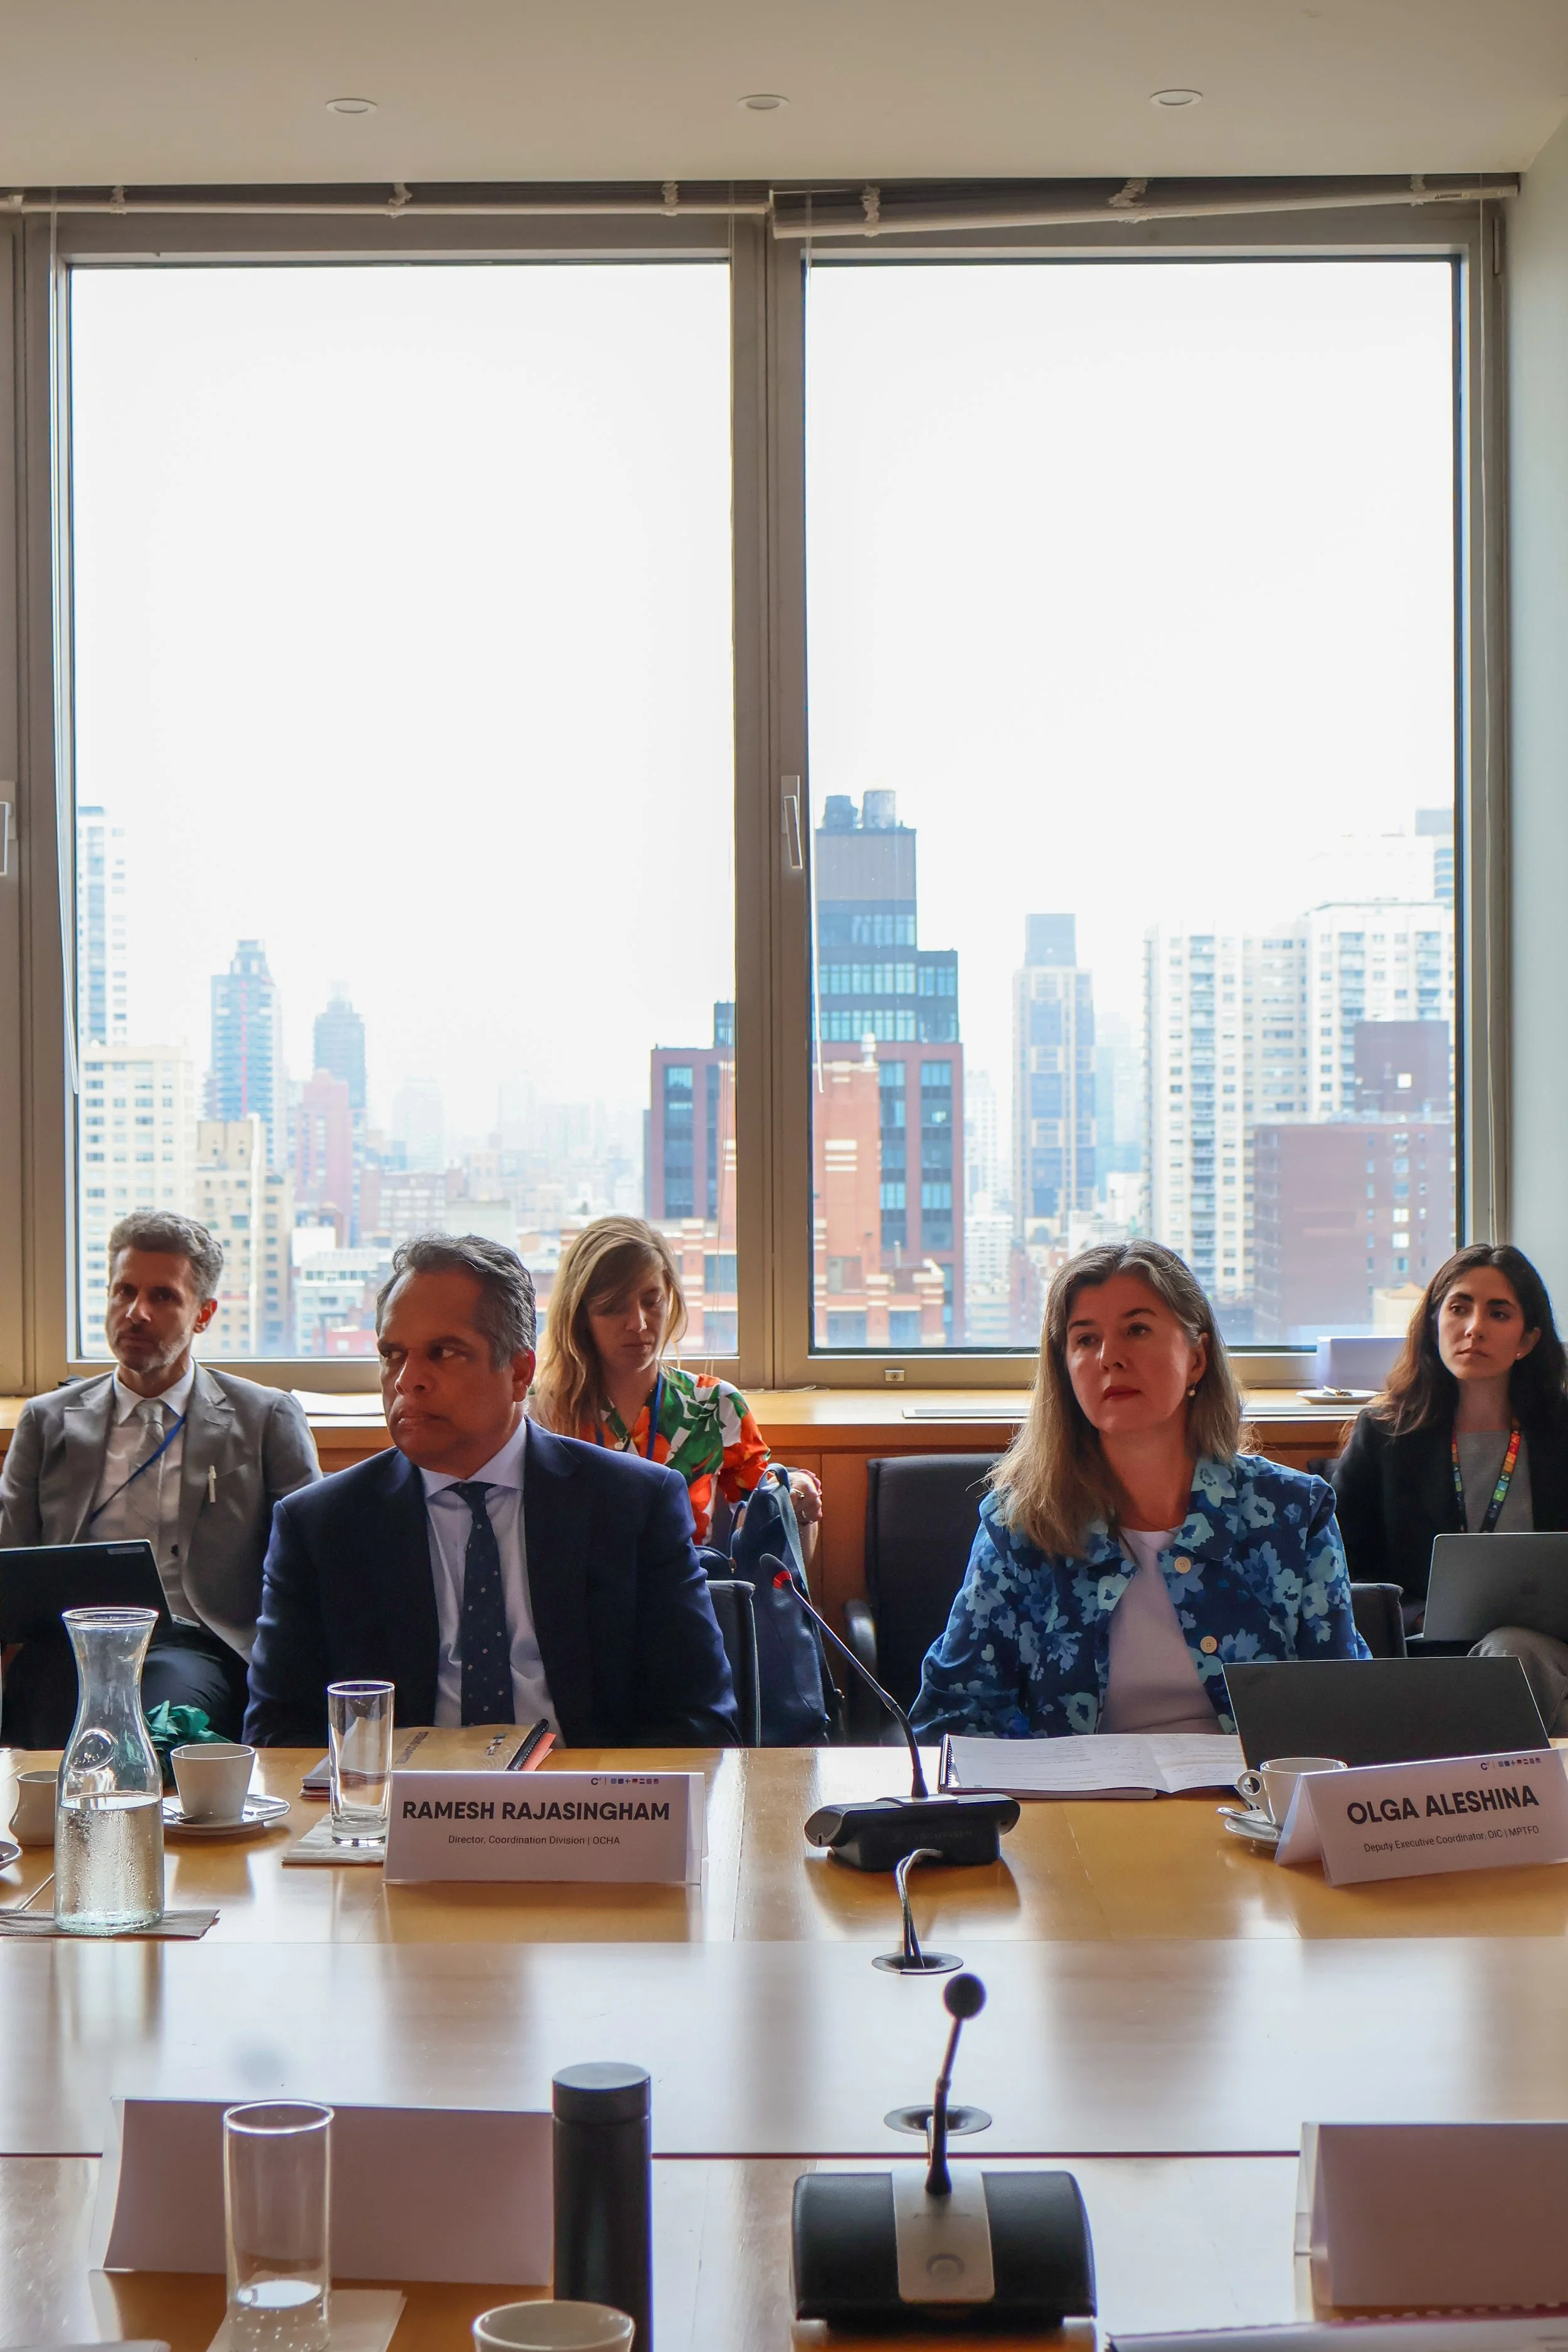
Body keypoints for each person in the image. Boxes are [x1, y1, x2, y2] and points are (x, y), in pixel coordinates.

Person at [244, 1231, 738, 1748]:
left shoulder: (633, 1504)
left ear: (520, 1373)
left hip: (581, 1808)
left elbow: (701, 1721)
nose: (408, 1380)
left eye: (444, 1353)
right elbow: (279, 1737)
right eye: (393, 1354)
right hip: (403, 1813)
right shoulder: (322, 1525)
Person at [911, 1240, 1368, 1740]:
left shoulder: (1293, 1513)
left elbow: (1342, 1707)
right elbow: (953, 1717)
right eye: (1085, 1340)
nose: (1110, 1357)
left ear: (1196, 1358)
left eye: (1137, 1330)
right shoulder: (1020, 1524)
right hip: (1079, 1809)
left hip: (1250, 1807)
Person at [0, 1209, 320, 1743]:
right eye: (123, 1292)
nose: (137, 1313)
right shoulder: (47, 1420)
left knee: (150, 1729)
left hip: (195, 1643)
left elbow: (312, 1563)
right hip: (70, 1642)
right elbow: (10, 1560)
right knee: (49, 1722)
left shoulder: (264, 1418)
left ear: (204, 1314)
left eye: (163, 1297)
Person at [1332, 1242, 1568, 1725]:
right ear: (1435, 1322)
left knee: (1510, 1654)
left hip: (1542, 1647)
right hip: (1419, 1644)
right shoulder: (1384, 1433)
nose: (1474, 1328)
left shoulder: (1563, 1432)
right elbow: (1340, 1563)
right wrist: (1416, 1613)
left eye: (1499, 1314)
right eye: (1459, 1308)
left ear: (1527, 1340)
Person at [529, 1216, 822, 1555]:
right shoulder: (538, 1414)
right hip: (578, 1603)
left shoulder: (714, 1405)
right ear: (579, 1315)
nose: (638, 1324)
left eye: (652, 1301)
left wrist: (795, 1505)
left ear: (671, 1297)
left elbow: (776, 1548)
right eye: (613, 1307)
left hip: (692, 1600)